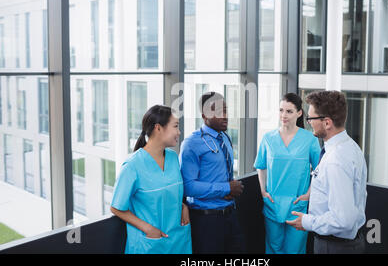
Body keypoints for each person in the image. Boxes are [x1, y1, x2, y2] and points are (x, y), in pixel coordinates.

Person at [286, 90, 367, 254]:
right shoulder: (350, 146)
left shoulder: (335, 160)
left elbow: (343, 220)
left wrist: (308, 222)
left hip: (335, 247)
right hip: (344, 244)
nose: (308, 122)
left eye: (311, 118)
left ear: (327, 123)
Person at [110, 105, 192, 254]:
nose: (179, 132)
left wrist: (182, 206)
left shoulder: (173, 157)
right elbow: (116, 207)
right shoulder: (132, 166)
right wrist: (148, 228)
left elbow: (166, 189)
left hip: (177, 240)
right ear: (158, 128)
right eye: (175, 126)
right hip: (150, 244)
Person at [254, 93, 321, 254]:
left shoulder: (309, 139)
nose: (284, 115)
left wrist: (308, 194)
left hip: (297, 205)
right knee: (273, 248)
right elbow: (260, 166)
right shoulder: (268, 138)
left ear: (299, 113)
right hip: (273, 203)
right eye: (281, 110)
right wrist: (263, 191)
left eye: (289, 111)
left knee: (295, 250)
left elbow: (320, 171)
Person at [179, 91, 244, 254]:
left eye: (226, 110)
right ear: (204, 115)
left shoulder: (225, 138)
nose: (225, 115)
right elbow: (188, 187)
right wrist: (226, 188)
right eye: (218, 112)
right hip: (207, 221)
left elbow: (222, 175)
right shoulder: (191, 144)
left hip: (230, 215)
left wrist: (229, 190)